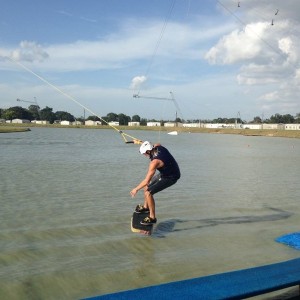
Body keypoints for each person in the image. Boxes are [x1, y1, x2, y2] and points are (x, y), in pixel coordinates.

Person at [130, 141, 181, 225]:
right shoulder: (158, 147)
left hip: (171, 177)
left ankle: (152, 218)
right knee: (147, 187)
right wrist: (142, 143)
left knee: (148, 192)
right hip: (166, 173)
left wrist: (136, 189)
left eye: (144, 154)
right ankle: (146, 207)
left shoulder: (154, 162)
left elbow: (146, 181)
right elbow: (157, 143)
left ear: (148, 151)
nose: (144, 155)